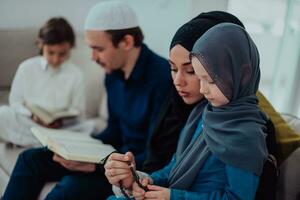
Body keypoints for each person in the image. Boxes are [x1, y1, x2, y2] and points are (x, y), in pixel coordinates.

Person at [2, 1, 171, 200]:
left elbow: (156, 158)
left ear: (126, 42)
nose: (92, 57)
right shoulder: (113, 74)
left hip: (130, 168)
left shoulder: (163, 79)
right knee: (30, 159)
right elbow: (114, 131)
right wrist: (76, 151)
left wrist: (95, 165)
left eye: (98, 49)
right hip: (112, 158)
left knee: (69, 188)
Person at [106, 23, 269, 200]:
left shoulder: (245, 134)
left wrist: (174, 196)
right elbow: (176, 165)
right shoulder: (203, 112)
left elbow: (238, 198)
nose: (203, 90)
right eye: (200, 79)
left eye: (210, 81)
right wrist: (145, 180)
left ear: (241, 75)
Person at [0, 17, 86, 147]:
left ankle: (37, 143)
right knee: (3, 114)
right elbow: (15, 102)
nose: (56, 59)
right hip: (31, 124)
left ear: (70, 48)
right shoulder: (26, 67)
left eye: (62, 54)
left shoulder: (77, 74)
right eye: (50, 52)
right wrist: (33, 116)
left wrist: (61, 122)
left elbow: (79, 112)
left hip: (60, 129)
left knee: (92, 127)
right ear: (41, 45)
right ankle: (49, 144)